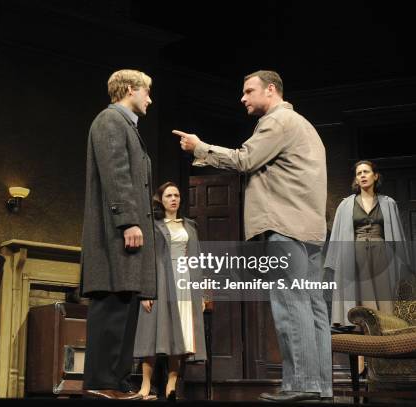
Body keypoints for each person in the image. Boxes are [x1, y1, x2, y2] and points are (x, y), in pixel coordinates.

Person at [173, 70, 332, 402]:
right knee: (313, 309)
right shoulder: (306, 126)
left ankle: (300, 385)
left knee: (291, 306)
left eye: (248, 91)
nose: (243, 98)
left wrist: (199, 147)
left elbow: (245, 159)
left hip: (286, 228)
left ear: (271, 90)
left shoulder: (277, 122)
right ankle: (318, 387)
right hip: (310, 231)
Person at [80, 69, 156, 400]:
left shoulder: (126, 126)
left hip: (123, 236)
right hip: (115, 235)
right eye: (146, 92)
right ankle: (101, 381)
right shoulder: (110, 121)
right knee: (112, 303)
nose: (149, 99)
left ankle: (117, 381)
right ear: (128, 89)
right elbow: (117, 174)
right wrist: (128, 221)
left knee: (125, 302)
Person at [133, 182, 207, 401]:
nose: (173, 199)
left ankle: (171, 385)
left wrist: (200, 292)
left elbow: (196, 260)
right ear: (161, 200)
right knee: (152, 333)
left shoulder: (190, 226)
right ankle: (146, 383)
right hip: (161, 282)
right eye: (169, 195)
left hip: (185, 282)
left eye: (176, 195)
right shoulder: (153, 226)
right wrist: (146, 292)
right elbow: (146, 260)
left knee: (180, 334)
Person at [325, 161, 411, 326]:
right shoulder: (345, 205)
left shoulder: (388, 203)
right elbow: (338, 234)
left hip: (382, 253)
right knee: (362, 296)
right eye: (359, 173)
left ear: (375, 176)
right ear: (356, 180)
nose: (363, 175)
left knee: (385, 294)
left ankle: (387, 335)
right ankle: (363, 343)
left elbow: (396, 234)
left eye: (366, 171)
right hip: (355, 253)